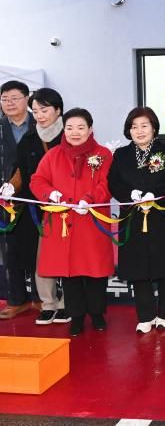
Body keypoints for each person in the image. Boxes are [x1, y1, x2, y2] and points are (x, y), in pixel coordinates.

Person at [30, 108, 114, 336]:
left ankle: (97, 313)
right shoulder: (53, 155)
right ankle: (76, 316)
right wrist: (50, 194)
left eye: (80, 127)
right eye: (69, 128)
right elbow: (37, 180)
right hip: (63, 224)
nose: (75, 132)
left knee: (96, 271)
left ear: (90, 129)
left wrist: (89, 199)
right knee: (70, 273)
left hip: (92, 223)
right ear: (63, 129)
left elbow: (107, 184)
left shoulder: (103, 154)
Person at [108, 107, 165, 333]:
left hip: (161, 215)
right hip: (133, 216)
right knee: (137, 267)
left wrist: (154, 194)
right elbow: (114, 182)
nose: (139, 131)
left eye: (144, 126)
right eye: (134, 127)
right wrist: (129, 195)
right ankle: (145, 316)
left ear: (154, 128)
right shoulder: (121, 155)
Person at [15, 88, 69, 325]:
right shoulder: (28, 139)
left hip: (69, 207)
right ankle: (48, 303)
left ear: (58, 110)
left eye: (44, 110)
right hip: (39, 209)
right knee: (43, 258)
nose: (39, 115)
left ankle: (68, 302)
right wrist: (10, 187)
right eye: (35, 111)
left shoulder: (71, 134)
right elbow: (20, 171)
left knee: (68, 256)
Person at [0, 80, 35, 320]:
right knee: (9, 247)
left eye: (14, 98)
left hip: (35, 195)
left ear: (27, 99)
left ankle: (42, 298)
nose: (9, 103)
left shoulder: (40, 123)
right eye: (4, 99)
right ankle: (16, 300)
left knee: (37, 245)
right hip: (4, 196)